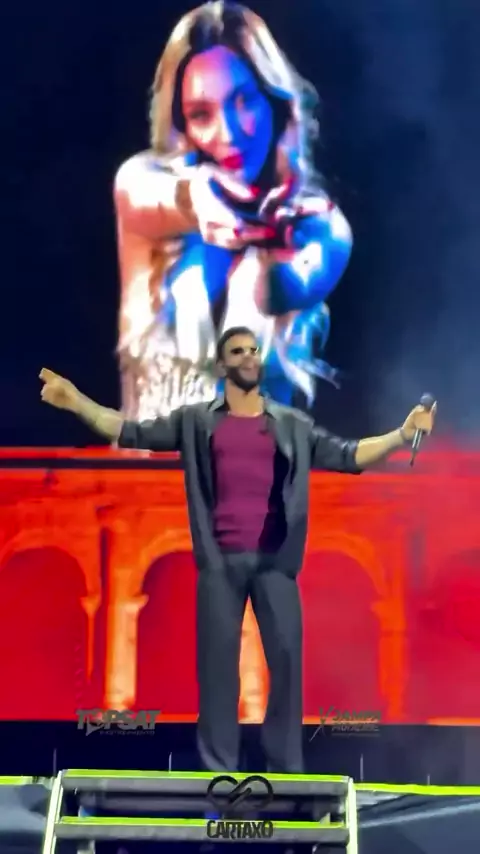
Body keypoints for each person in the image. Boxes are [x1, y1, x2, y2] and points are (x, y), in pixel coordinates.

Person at [39, 326, 436, 772]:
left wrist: (401, 435)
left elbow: (348, 455)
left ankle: (285, 771)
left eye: (253, 350)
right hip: (220, 565)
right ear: (222, 365)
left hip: (275, 563)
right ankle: (220, 773)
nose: (248, 356)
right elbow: (129, 431)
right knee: (217, 674)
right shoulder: (195, 421)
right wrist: (76, 402)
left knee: (286, 665)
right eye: (238, 351)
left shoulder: (291, 424)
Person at [115, 0, 352, 422]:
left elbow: (284, 291)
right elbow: (147, 196)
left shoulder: (319, 225)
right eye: (201, 114)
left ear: (274, 102)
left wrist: (271, 252)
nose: (228, 132)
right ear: (182, 124)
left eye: (243, 101)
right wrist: (195, 199)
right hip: (150, 462)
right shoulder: (142, 182)